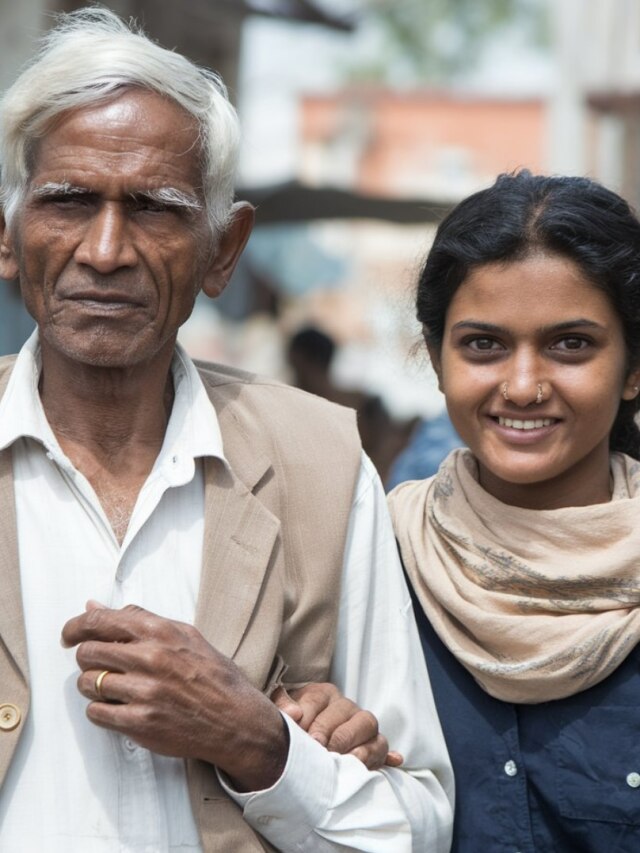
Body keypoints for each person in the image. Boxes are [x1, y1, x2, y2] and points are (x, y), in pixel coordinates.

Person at [0, 8, 453, 852]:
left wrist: (259, 744)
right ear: (7, 234)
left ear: (222, 248)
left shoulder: (316, 462)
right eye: (67, 200)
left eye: (154, 209)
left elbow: (417, 824)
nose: (105, 249)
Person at [386, 170, 640, 851]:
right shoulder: (372, 562)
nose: (523, 386)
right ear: (437, 360)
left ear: (634, 365)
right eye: (484, 344)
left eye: (571, 344)